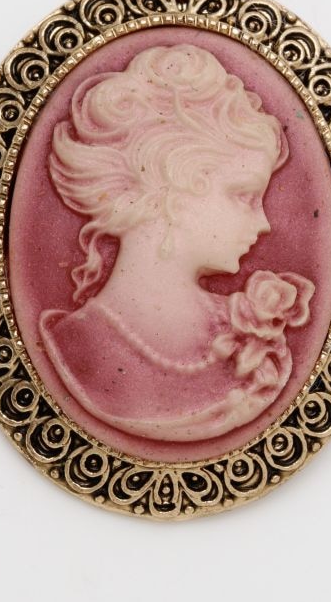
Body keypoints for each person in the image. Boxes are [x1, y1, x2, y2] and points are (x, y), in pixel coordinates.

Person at [39, 44, 315, 442]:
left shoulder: (254, 340)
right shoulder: (73, 348)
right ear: (168, 190)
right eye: (244, 195)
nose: (264, 223)